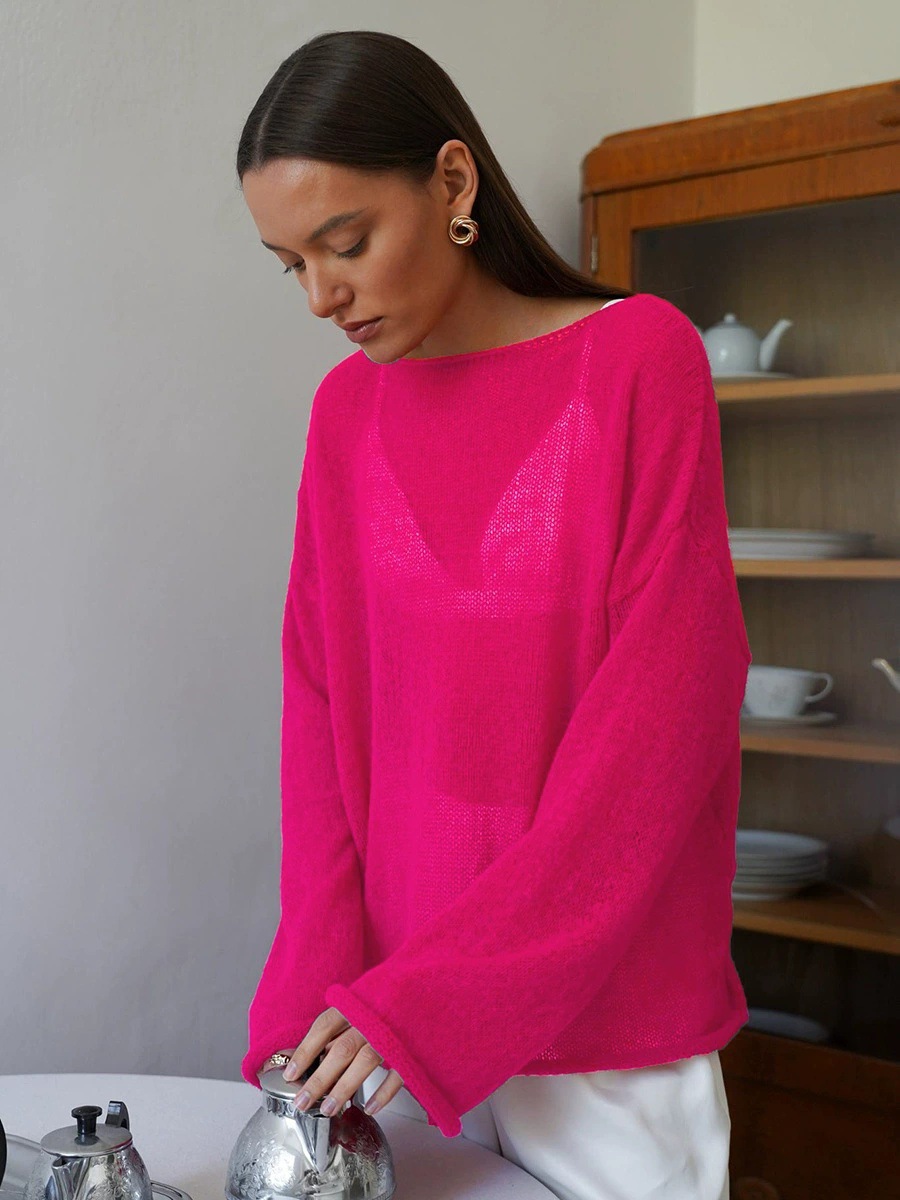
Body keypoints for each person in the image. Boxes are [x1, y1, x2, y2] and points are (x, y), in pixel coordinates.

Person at [235, 28, 751, 1200]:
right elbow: (320, 717)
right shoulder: (345, 417)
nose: (320, 296)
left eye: (346, 243)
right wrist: (321, 989)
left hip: (604, 1041)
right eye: (289, 264)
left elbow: (661, 727)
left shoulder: (638, 360)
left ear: (454, 181)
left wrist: (438, 1001)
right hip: (387, 1040)